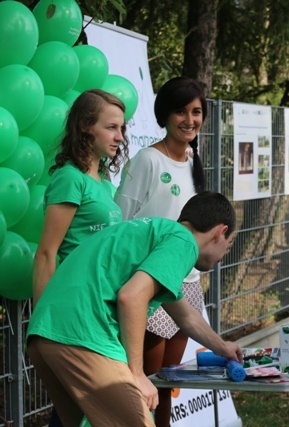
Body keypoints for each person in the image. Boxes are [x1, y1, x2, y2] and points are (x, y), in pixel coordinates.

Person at [27, 191, 243, 427]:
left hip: (45, 333)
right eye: (229, 243)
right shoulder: (184, 242)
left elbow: (185, 314)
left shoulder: (155, 233)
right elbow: (131, 297)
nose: (223, 256)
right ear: (221, 232)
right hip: (83, 335)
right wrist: (137, 374)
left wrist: (222, 348)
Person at [31, 89, 129, 427]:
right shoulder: (70, 179)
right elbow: (46, 253)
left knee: (82, 412)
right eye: (111, 127)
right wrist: (42, 330)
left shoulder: (103, 184)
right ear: (87, 127)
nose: (120, 136)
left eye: (122, 128)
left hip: (99, 313)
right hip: (70, 316)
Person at [114, 76, 208, 427]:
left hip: (187, 285)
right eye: (180, 111)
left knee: (170, 386)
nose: (189, 120)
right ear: (164, 115)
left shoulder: (194, 157)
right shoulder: (146, 161)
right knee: (144, 386)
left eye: (197, 112)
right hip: (149, 288)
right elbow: (120, 226)